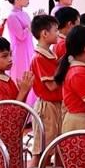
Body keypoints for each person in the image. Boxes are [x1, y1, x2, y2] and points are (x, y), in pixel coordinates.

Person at [29, 14, 64, 142]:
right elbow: (52, 86)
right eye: (56, 30)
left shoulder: (49, 55)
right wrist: (66, 66)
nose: (58, 33)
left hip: (55, 104)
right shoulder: (39, 58)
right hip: (47, 107)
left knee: (58, 143)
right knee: (45, 146)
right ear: (44, 33)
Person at [0, 37, 33, 105]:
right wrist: (23, 91)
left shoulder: (5, 80)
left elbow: (19, 107)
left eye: (10, 54)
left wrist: (24, 91)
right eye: (4, 56)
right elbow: (7, 112)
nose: (10, 59)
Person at [3, 0, 35, 87]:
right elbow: (21, 35)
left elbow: (30, 32)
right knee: (21, 77)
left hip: (29, 48)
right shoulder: (12, 16)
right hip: (20, 52)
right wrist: (32, 24)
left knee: (31, 76)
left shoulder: (25, 14)